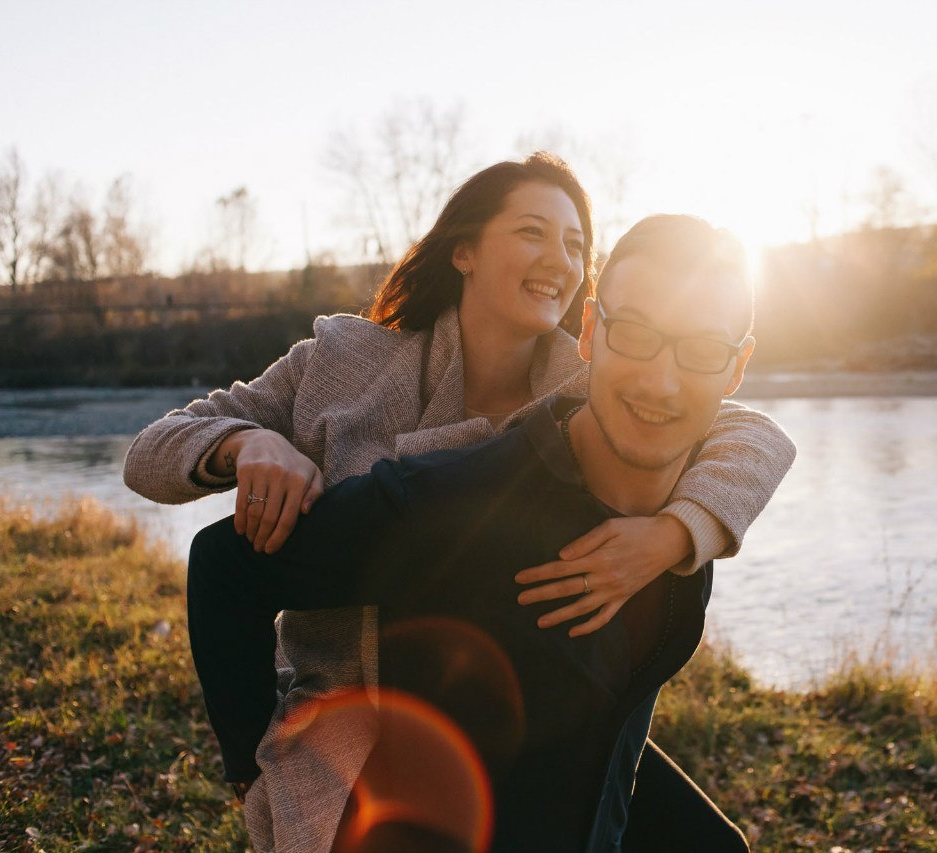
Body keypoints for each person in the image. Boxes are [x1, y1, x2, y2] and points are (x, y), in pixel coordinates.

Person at [123, 153, 795, 851]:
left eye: (576, 244)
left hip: (513, 684)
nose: (559, 258)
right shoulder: (345, 358)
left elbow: (750, 432)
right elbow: (155, 453)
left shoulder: (591, 373)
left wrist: (673, 532)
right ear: (465, 248)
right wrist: (246, 443)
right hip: (362, 700)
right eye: (533, 231)